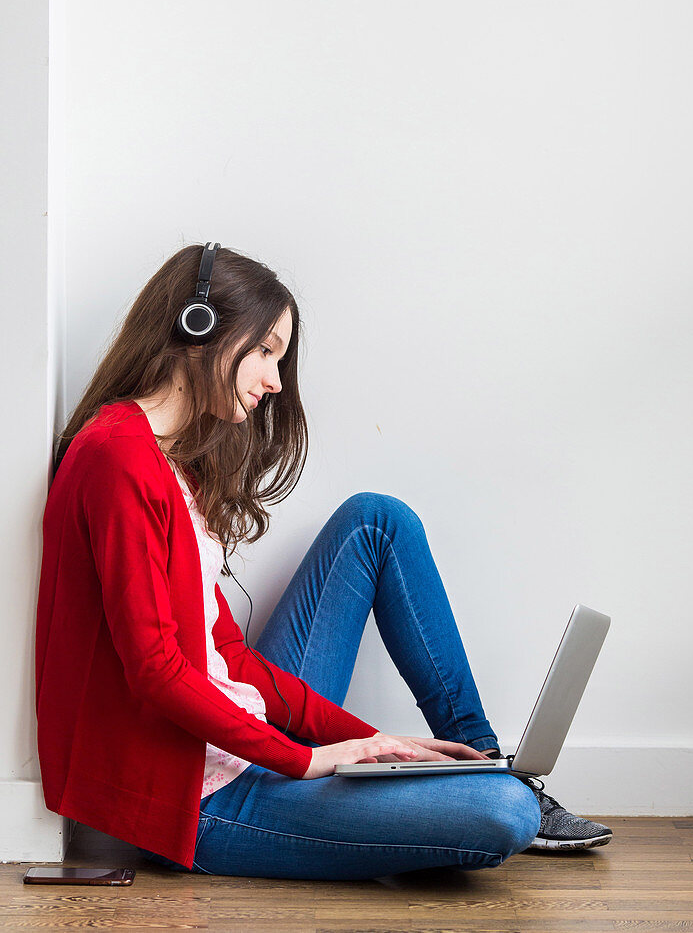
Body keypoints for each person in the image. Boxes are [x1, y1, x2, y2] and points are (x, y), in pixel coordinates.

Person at [35, 242, 612, 881]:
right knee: (504, 814)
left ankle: (478, 756)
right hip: (193, 799)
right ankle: (503, 789)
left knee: (376, 521)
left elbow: (229, 655)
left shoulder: (173, 466)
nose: (275, 381)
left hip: (235, 738)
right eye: (265, 351)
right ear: (198, 329)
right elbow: (155, 671)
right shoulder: (115, 457)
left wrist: (379, 747)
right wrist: (309, 760)